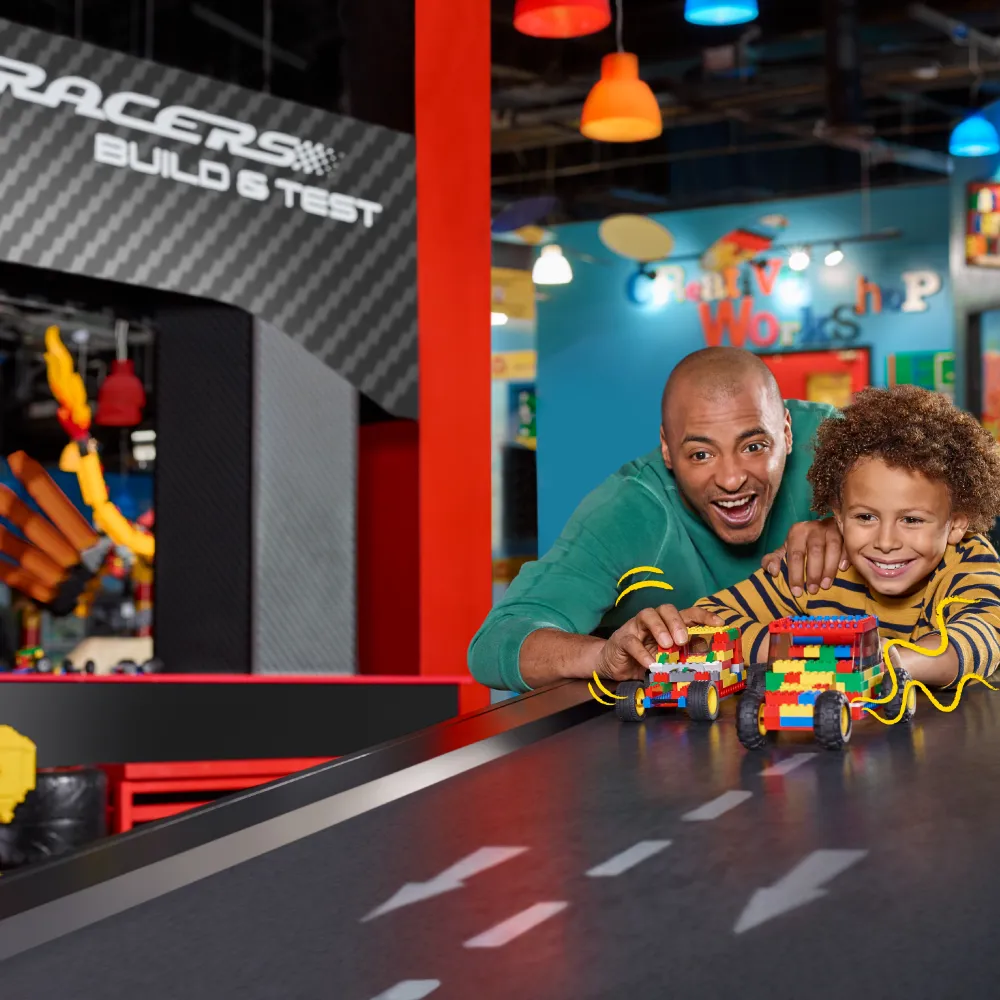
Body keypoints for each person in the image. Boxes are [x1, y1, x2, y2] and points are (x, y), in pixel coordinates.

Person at [468, 346, 846, 693]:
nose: (732, 479)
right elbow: (494, 643)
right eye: (701, 454)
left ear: (786, 432)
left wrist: (854, 523)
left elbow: (904, 500)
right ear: (667, 449)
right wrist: (601, 656)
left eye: (754, 447)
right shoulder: (628, 509)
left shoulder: (835, 445)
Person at [691, 385, 1000, 687]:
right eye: (865, 517)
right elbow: (707, 622)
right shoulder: (820, 568)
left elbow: (982, 635)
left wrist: (870, 660)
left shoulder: (969, 562)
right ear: (838, 517)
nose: (886, 542)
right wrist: (811, 653)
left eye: (912, 520)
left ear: (957, 523)